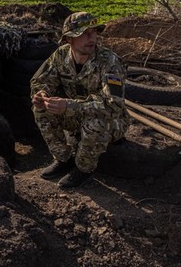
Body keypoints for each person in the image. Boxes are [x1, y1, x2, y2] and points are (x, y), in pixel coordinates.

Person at [30, 11, 130, 188]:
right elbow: (40, 81)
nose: (91, 38)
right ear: (69, 39)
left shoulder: (110, 62)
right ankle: (64, 158)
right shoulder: (60, 56)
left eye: (94, 32)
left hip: (111, 120)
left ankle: (84, 169)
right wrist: (41, 95)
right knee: (40, 109)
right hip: (76, 114)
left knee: (95, 122)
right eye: (84, 33)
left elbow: (112, 105)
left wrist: (69, 105)